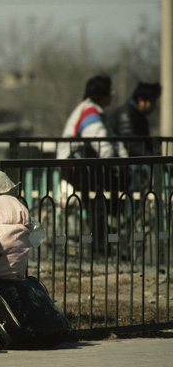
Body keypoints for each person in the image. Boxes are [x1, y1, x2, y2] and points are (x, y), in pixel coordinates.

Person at [56, 75, 122, 257]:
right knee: (97, 202)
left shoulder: (91, 110)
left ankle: (100, 243)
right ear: (102, 95)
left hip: (78, 165)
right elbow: (104, 146)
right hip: (77, 166)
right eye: (110, 92)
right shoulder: (91, 114)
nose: (112, 95)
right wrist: (116, 166)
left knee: (95, 202)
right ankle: (99, 248)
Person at [109, 81, 162, 157]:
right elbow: (132, 144)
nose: (154, 106)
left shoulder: (139, 115)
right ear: (140, 101)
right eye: (152, 102)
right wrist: (152, 159)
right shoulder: (126, 114)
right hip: (125, 164)